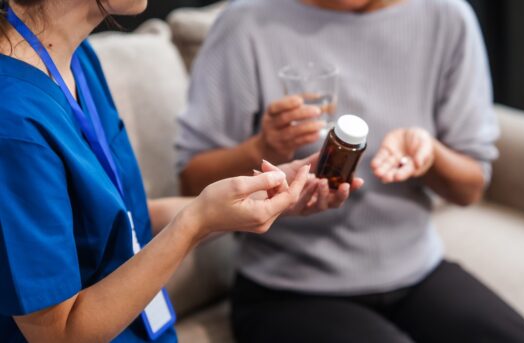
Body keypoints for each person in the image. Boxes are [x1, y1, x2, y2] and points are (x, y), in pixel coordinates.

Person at [177, 0, 524, 342]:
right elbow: (192, 180)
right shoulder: (246, 23)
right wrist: (263, 148)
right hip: (286, 289)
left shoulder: (445, 17)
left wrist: (430, 156)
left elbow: (471, 188)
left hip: (417, 271)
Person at [0, 0, 360, 341]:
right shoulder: (13, 121)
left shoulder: (76, 59)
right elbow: (58, 334)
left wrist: (250, 198)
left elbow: (123, 221)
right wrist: (194, 223)